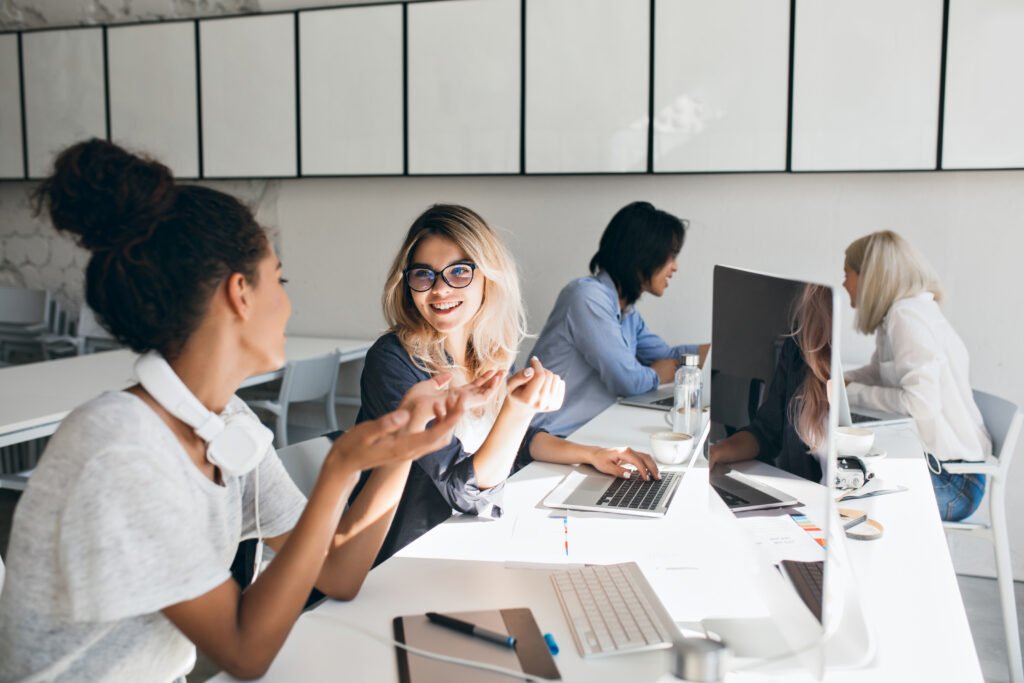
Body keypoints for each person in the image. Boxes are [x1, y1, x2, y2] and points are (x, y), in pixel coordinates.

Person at [0, 139, 468, 681]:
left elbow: (338, 573)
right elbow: (245, 652)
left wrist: (404, 448)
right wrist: (339, 470)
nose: (288, 303)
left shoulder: (227, 424)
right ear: (240, 293)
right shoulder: (121, 449)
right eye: (280, 279)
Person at [355, 204, 661, 562]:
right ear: (407, 283)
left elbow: (518, 442)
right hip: (404, 554)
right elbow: (464, 490)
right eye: (424, 275)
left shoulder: (489, 352)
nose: (439, 290)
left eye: (458, 272)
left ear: (488, 276)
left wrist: (591, 454)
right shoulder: (392, 362)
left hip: (466, 542)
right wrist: (517, 409)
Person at [843, 230, 991, 521]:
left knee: (842, 487)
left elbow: (919, 403)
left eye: (847, 273)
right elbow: (879, 372)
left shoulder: (906, 317)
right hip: (946, 471)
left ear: (869, 277)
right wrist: (839, 381)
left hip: (953, 481)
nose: (844, 283)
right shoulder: (901, 315)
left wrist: (849, 392)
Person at [529, 201, 708, 437]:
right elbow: (628, 381)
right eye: (670, 256)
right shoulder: (586, 297)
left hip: (587, 434)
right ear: (643, 254)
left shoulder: (626, 311)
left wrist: (720, 351)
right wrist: (658, 373)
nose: (674, 267)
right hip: (550, 437)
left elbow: (667, 357)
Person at [708, 284, 831, 483]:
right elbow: (766, 432)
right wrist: (715, 452)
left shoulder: (862, 371)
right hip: (803, 503)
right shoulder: (798, 349)